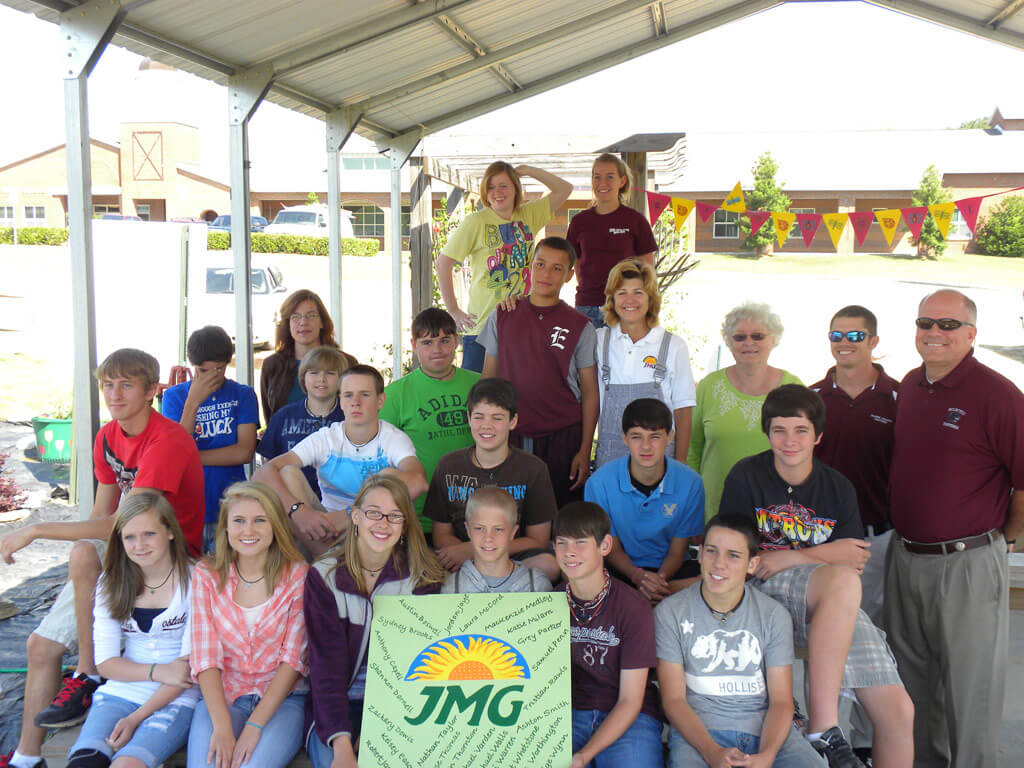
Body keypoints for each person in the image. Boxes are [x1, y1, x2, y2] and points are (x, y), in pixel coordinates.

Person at [0, 349, 203, 768]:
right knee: (39, 645)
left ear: (151, 391)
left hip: (165, 553)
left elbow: (130, 523)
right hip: (125, 550)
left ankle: (91, 670)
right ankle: (26, 758)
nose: (114, 393)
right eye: (107, 385)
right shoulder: (107, 436)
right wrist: (84, 567)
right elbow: (101, 516)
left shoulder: (167, 440)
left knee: (82, 549)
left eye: (126, 385)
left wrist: (36, 529)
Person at [719, 385, 913, 768]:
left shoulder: (837, 486)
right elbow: (737, 553)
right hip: (761, 594)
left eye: (801, 430)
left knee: (899, 712)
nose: (789, 441)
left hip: (827, 603)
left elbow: (854, 559)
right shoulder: (747, 475)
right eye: (779, 430)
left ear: (818, 436)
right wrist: (820, 557)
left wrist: (792, 556)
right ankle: (824, 727)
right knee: (841, 582)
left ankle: (824, 731)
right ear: (766, 432)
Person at [886, 289, 1024, 768]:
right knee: (912, 687)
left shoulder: (998, 395)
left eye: (947, 325)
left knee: (970, 691)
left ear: (972, 335)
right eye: (926, 323)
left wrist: (1005, 539)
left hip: (966, 562)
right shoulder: (910, 384)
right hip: (905, 559)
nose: (934, 333)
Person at [655, 513, 824, 768]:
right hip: (700, 733)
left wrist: (767, 755)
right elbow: (673, 701)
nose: (718, 564)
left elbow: (780, 701)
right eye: (711, 551)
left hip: (766, 730)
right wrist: (712, 752)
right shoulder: (670, 613)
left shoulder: (773, 615)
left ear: (752, 564)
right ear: (699, 554)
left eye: (733, 555)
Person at [303, 475, 445, 768]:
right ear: (355, 516)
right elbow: (324, 669)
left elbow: (421, 668)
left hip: (401, 708)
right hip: (336, 705)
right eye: (373, 513)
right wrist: (342, 744)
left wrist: (378, 726)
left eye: (395, 516)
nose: (383, 523)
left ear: (405, 525)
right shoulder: (325, 577)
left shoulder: (420, 579)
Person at [64, 493, 198, 768]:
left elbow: (184, 671)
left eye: (149, 534)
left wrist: (136, 718)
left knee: (126, 765)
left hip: (177, 696)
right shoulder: (111, 582)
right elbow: (105, 663)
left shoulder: (195, 580)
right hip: (122, 690)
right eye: (129, 537)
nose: (139, 546)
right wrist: (156, 671)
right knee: (84, 762)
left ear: (170, 532)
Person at [187, 482, 310, 768]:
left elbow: (293, 661)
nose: (248, 530)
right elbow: (205, 658)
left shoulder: (298, 575)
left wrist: (254, 728)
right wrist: (222, 727)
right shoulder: (206, 575)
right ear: (226, 528)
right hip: (224, 696)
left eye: (259, 521)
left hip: (283, 701)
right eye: (239, 521)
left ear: (275, 525)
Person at [254, 364, 427, 558]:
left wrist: (352, 514)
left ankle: (330, 564)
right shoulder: (327, 438)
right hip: (326, 531)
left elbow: (419, 481)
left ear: (380, 401)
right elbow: (261, 473)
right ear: (341, 401)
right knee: (287, 473)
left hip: (374, 526)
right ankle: (326, 560)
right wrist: (298, 512)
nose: (356, 402)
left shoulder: (393, 438)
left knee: (389, 477)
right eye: (348, 395)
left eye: (365, 395)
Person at [480, 237, 599, 506]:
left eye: (557, 268)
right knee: (507, 512)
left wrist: (584, 448)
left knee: (558, 512)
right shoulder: (503, 315)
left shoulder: (581, 325)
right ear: (529, 266)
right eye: (541, 264)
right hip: (510, 432)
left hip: (562, 435)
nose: (546, 274)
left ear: (569, 275)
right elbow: (487, 381)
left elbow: (590, 391)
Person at [554, 501, 663, 768]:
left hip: (629, 716)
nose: (569, 552)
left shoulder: (632, 605)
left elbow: (630, 700)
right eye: (561, 543)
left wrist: (583, 755)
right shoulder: (550, 603)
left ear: (604, 546)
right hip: (568, 714)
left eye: (580, 542)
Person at [436, 161, 573, 372]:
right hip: (483, 324)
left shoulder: (528, 215)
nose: (497, 192)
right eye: (490, 187)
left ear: (516, 189)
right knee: (479, 395)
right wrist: (454, 311)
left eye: (503, 186)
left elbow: (564, 189)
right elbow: (443, 263)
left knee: (517, 394)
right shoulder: (476, 222)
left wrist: (529, 170)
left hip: (522, 323)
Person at [809, 305, 898, 624]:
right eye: (836, 335)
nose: (844, 342)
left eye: (855, 335)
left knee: (870, 630)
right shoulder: (811, 399)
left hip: (876, 539)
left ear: (873, 341)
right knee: (820, 628)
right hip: (819, 538)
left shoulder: (899, 399)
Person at [425, 377, 559, 582]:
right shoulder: (448, 466)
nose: (486, 426)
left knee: (548, 565)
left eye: (497, 418)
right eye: (479, 417)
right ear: (468, 418)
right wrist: (465, 553)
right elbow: (441, 535)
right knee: (426, 570)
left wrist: (475, 550)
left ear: (512, 421)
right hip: (460, 559)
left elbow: (538, 540)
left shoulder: (533, 469)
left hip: (511, 559)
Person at [687, 303, 801, 520]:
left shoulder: (792, 388)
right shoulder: (708, 387)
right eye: (740, 337)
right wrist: (693, 509)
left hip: (778, 511)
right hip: (716, 510)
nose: (749, 343)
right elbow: (692, 450)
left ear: (773, 339)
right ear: (729, 341)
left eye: (758, 336)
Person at [585, 398, 704, 603]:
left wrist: (657, 583)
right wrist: (637, 576)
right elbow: (610, 547)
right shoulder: (599, 483)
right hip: (621, 569)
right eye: (637, 437)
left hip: (670, 572)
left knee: (708, 581)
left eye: (655, 437)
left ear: (670, 437)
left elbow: (678, 550)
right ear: (624, 438)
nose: (646, 446)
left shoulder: (691, 482)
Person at [379, 307, 479, 536]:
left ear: (456, 340)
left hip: (476, 513)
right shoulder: (394, 395)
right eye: (427, 343)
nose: (437, 350)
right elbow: (382, 456)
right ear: (413, 345)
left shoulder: (479, 385)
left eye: (444, 340)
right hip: (419, 516)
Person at [162, 325, 259, 552]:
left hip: (229, 505)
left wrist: (191, 456)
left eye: (218, 370)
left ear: (227, 363)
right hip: (187, 507)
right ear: (192, 364)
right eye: (202, 371)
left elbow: (244, 452)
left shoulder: (242, 394)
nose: (210, 378)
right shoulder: (175, 397)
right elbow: (175, 452)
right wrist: (193, 402)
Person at [594, 259, 696, 467]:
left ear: (651, 300)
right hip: (611, 460)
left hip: (660, 459)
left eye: (638, 292)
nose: (629, 300)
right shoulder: (598, 340)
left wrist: (681, 463)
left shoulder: (672, 345)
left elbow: (683, 409)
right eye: (622, 292)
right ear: (612, 299)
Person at [567, 153, 658, 328]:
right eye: (597, 177)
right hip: (587, 307)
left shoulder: (635, 221)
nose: (603, 183)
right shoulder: (580, 221)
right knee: (588, 356)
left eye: (610, 177)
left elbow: (647, 271)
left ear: (622, 181)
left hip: (624, 307)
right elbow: (576, 262)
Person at [256, 345, 348, 503]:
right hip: (293, 505)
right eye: (314, 373)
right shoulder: (284, 416)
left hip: (342, 503)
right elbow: (268, 462)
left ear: (342, 379)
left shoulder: (349, 416)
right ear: (303, 378)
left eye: (330, 373)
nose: (321, 379)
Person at [259, 289, 357, 425]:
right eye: (295, 317)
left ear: (322, 322)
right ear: (287, 324)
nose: (303, 322)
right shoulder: (272, 365)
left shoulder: (347, 363)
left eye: (311, 316)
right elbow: (271, 419)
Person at [441, 485, 553, 593]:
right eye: (479, 528)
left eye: (498, 529)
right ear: (468, 530)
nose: (488, 537)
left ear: (513, 532)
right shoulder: (453, 587)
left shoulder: (536, 584)